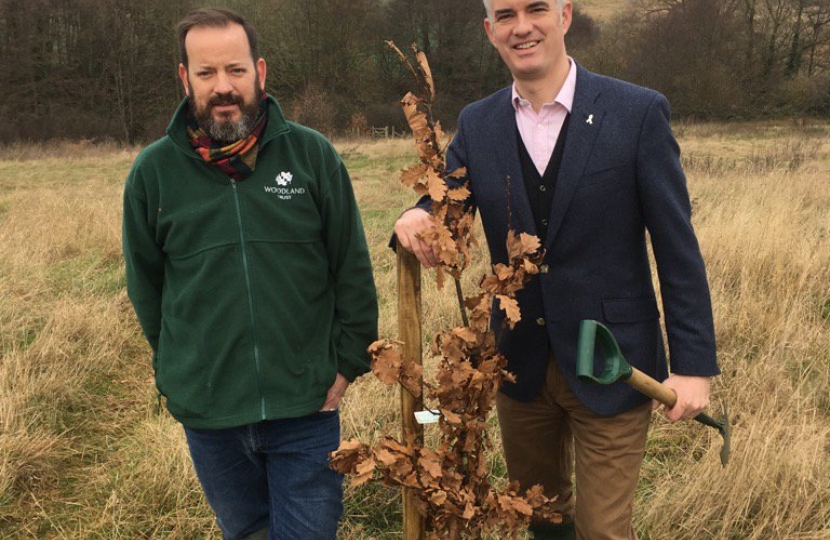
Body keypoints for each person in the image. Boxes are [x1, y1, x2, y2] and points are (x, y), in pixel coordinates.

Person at [393, 1, 719, 539]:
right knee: (542, 519)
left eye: (536, 8)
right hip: (519, 365)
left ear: (565, 15)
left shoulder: (636, 112)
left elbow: (676, 244)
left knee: (602, 531)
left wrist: (694, 365)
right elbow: (447, 197)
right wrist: (415, 214)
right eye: (505, 15)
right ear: (489, 30)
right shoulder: (479, 121)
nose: (522, 26)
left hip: (616, 362)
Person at [122, 8, 378, 540]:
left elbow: (350, 266)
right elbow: (147, 287)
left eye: (235, 70)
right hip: (210, 412)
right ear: (184, 77)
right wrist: (180, 365)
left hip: (305, 406)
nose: (223, 87)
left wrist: (348, 362)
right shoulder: (153, 173)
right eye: (206, 72)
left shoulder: (312, 156)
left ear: (260, 72)